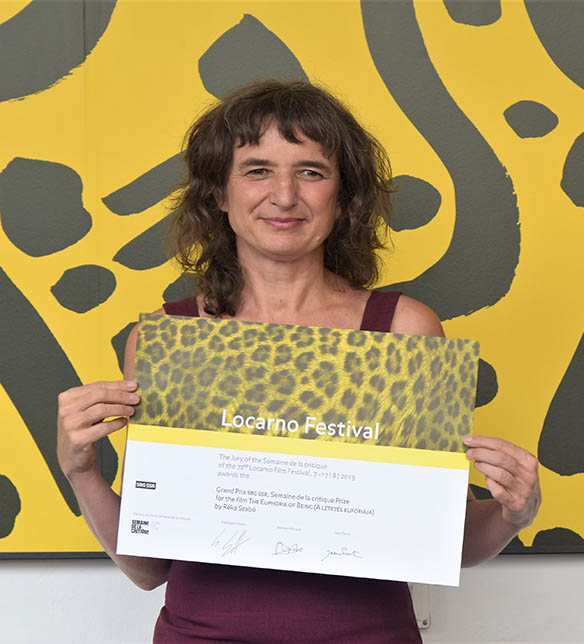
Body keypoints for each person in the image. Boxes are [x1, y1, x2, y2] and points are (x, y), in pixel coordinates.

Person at [57, 80, 541, 643]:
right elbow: (148, 569)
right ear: (219, 193)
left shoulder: (403, 331)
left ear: (343, 195)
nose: (284, 196)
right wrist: (81, 470)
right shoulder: (169, 338)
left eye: (311, 171)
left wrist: (513, 514)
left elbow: (447, 543)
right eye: (257, 170)